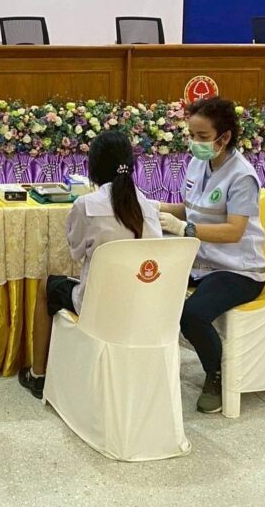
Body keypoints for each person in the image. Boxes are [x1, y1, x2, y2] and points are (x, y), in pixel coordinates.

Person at [18, 129, 162, 398]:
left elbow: (75, 252)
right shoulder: (148, 205)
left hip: (99, 306)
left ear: (93, 167)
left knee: (46, 285)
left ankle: (37, 374)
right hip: (145, 303)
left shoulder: (87, 205)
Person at [157, 96, 265, 414]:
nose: (195, 142)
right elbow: (191, 208)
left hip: (237, 269)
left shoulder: (242, 177)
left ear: (224, 137)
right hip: (201, 261)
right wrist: (156, 207)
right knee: (150, 285)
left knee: (192, 315)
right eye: (191, 135)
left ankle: (215, 375)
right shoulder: (198, 163)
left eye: (202, 136)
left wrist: (185, 229)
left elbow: (234, 231)